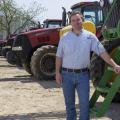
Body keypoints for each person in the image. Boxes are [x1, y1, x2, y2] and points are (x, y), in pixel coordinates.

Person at [55, 11, 120, 120]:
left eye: (78, 20)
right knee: (70, 106)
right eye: (73, 21)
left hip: (83, 76)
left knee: (84, 107)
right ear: (70, 22)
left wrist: (115, 65)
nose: (76, 22)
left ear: (82, 21)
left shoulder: (90, 37)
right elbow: (59, 56)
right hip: (67, 75)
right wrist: (57, 72)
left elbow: (102, 52)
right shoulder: (65, 38)